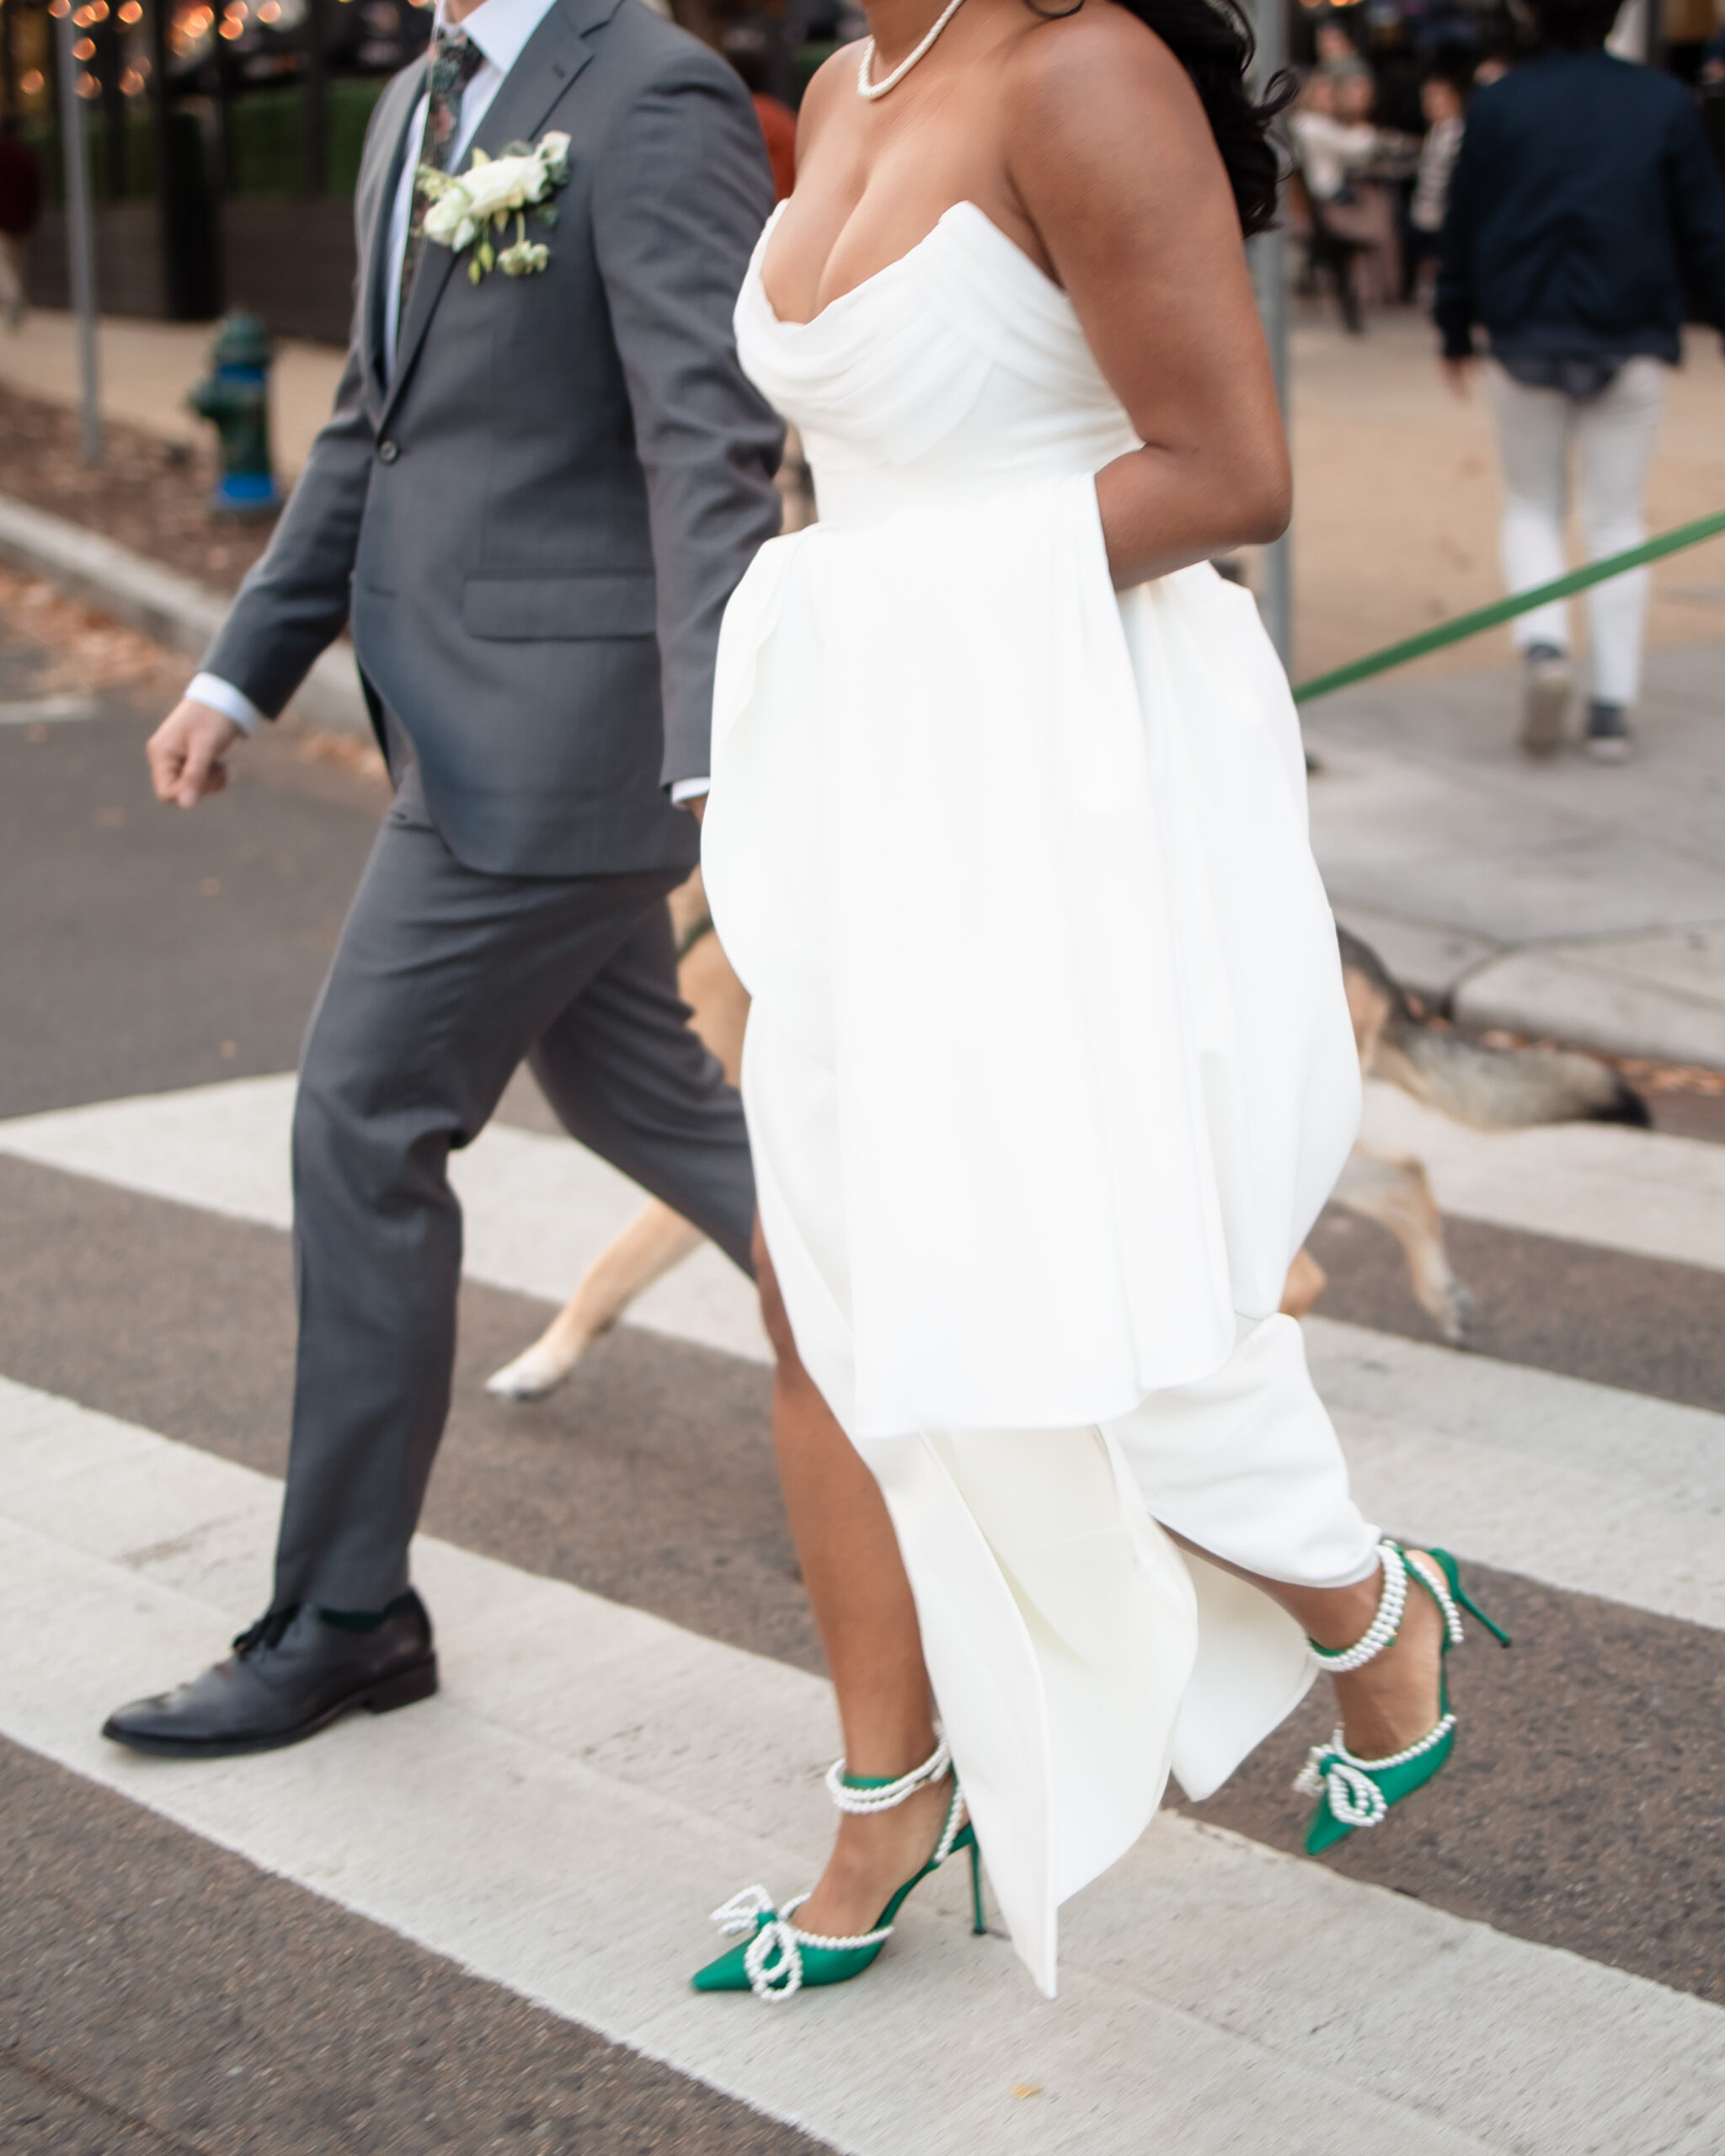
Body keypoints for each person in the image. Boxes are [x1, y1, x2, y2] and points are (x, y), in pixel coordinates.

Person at [688, 0, 1510, 2004]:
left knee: (1089, 1288)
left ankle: (1359, 1599)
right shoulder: (835, 85)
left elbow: (1231, 471)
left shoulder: (1077, 72)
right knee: (838, 1278)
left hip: (1071, 761)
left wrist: (860, 605)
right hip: (890, 765)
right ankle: (895, 1785)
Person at [102, 0, 784, 1759]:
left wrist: (713, 731)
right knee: (674, 1118)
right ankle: (960, 1361)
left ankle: (344, 1610)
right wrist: (237, 668)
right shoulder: (418, 101)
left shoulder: (650, 91)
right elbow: (369, 426)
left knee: (361, 1120)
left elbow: (704, 432)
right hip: (467, 718)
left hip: (571, 739)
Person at [1435, 0, 1725, 760]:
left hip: (1522, 331)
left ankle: (1545, 649)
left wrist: (1452, 326)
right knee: (1616, 521)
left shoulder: (1498, 104)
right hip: (1628, 334)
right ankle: (1610, 709)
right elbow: (1704, 223)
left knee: (1531, 505)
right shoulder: (1662, 99)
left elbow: (1461, 222)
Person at [1406, 68, 1465, 304]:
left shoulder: (1456, 134)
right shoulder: (1436, 132)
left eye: (1436, 97)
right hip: (1428, 213)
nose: (1429, 104)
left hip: (1443, 214)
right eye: (1426, 98)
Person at [0, 124, 41, 334]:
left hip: (4, 222)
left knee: (4, 268)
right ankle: (16, 308)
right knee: (16, 267)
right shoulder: (26, 156)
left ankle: (15, 300)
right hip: (21, 222)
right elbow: (34, 190)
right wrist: (30, 218)